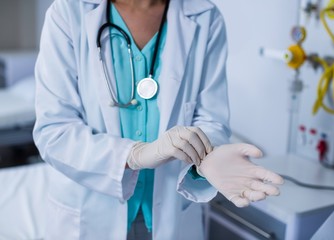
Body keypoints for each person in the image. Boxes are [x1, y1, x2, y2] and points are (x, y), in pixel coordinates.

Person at [33, 0, 284, 239]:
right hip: (90, 211)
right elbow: (54, 131)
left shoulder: (206, 17)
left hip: (170, 212)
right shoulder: (68, 12)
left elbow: (210, 120)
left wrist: (208, 157)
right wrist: (133, 155)